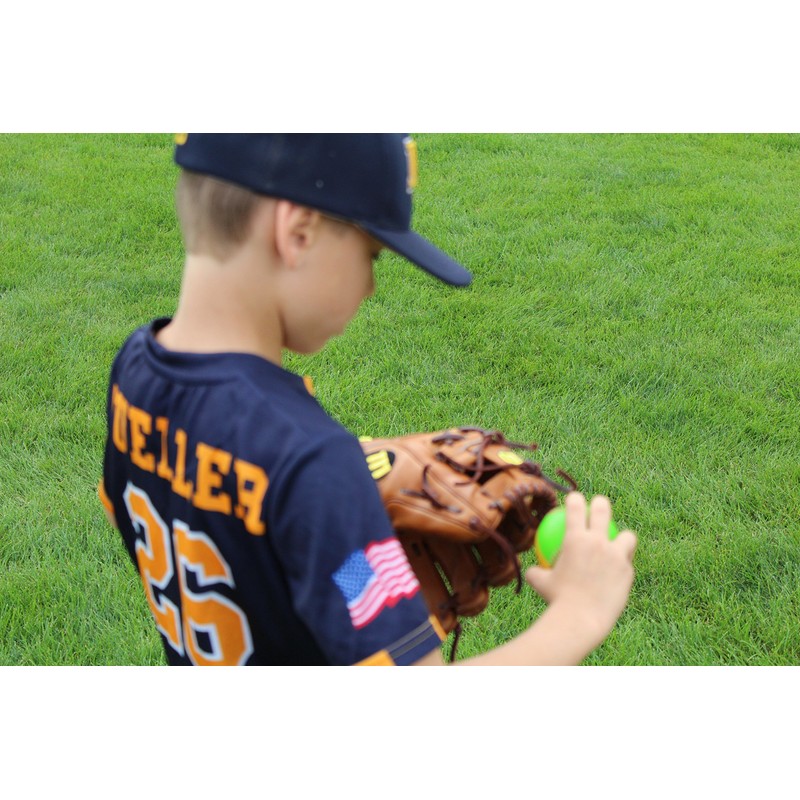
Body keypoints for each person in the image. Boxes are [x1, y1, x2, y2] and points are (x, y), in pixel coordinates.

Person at [98, 134, 636, 666]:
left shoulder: (135, 372)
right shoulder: (317, 469)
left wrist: (323, 512)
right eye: (371, 255)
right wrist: (580, 614)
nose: (371, 286)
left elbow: (149, 503)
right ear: (298, 233)